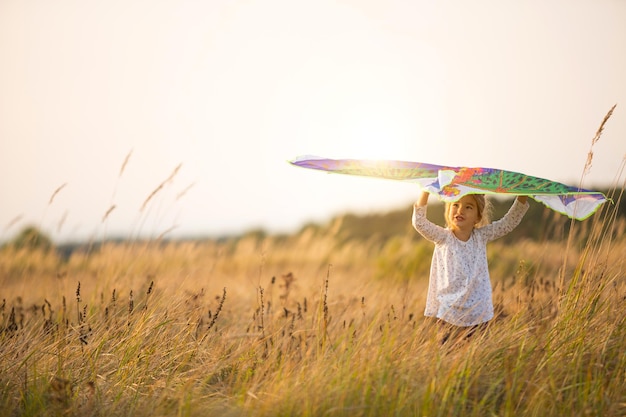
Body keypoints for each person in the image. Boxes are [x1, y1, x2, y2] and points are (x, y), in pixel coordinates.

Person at [412, 191, 529, 344]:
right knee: (449, 357)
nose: (460, 210)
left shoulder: (481, 236)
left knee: (477, 358)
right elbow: (419, 222)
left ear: (477, 217)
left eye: (468, 207)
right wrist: (426, 190)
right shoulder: (443, 237)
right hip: (449, 312)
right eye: (455, 205)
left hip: (478, 313)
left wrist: (522, 195)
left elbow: (508, 223)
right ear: (448, 210)